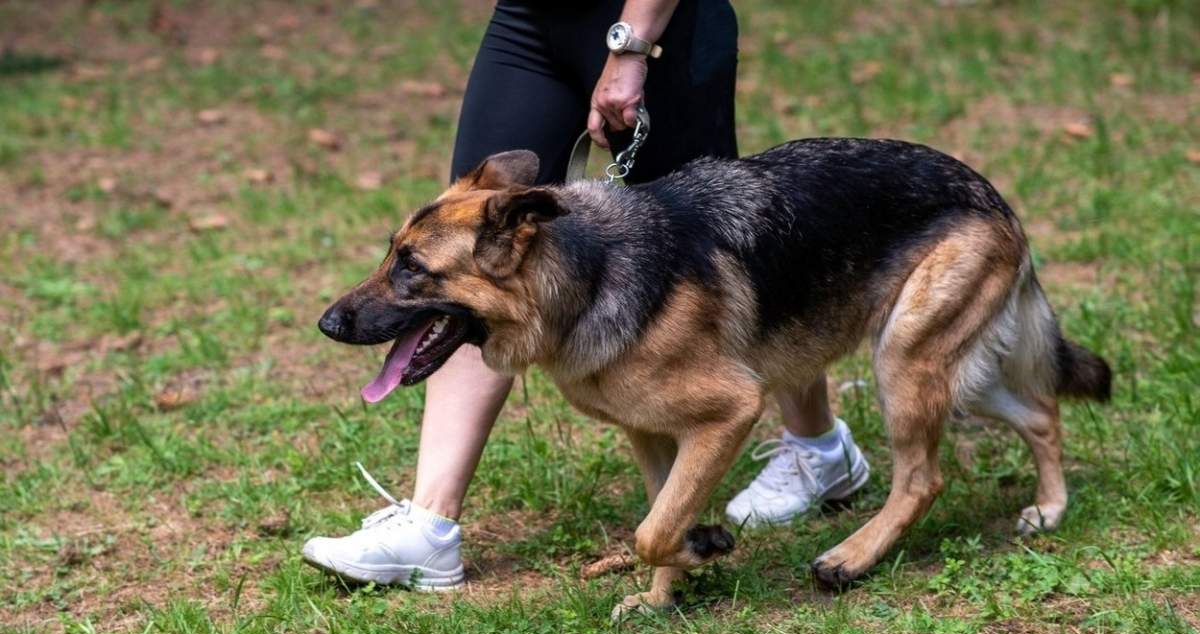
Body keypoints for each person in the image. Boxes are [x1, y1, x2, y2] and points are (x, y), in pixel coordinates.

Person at [301, 0, 871, 589]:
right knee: (473, 269)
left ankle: (814, 445)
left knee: (730, 276)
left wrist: (631, 45)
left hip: (663, 28)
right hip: (529, 18)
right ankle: (430, 522)